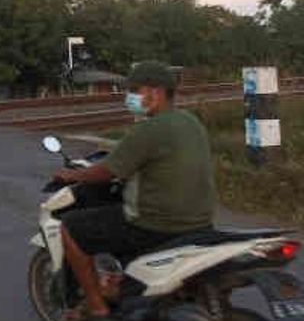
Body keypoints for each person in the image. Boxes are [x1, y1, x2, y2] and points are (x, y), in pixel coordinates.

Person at [52, 60, 216, 319]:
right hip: (201, 223)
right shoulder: (189, 122)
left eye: (135, 90)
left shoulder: (149, 129)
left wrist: (72, 174)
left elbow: (108, 172)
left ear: (156, 92)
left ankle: (96, 307)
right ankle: (122, 283)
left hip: (156, 225)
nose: (130, 97)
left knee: (70, 228)